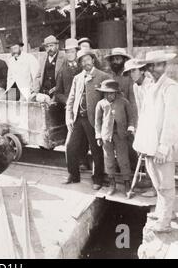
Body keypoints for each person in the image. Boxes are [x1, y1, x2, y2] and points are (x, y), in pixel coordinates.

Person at [133, 50, 178, 233]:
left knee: (166, 184)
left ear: (164, 66)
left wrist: (164, 147)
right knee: (156, 181)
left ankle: (165, 222)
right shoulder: (151, 87)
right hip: (150, 144)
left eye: (159, 65)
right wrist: (141, 143)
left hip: (162, 146)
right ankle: (164, 212)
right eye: (152, 65)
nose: (155, 69)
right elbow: (145, 118)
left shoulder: (170, 87)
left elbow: (171, 120)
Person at [64, 49, 111, 189]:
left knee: (96, 149)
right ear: (80, 64)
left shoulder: (103, 76)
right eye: (82, 61)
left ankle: (98, 179)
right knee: (70, 146)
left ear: (93, 60)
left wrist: (103, 123)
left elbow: (107, 102)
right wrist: (69, 117)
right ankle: (73, 175)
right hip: (78, 119)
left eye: (88, 60)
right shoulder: (77, 78)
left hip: (94, 120)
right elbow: (71, 100)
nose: (86, 63)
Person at [95, 79, 135, 196]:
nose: (109, 95)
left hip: (121, 135)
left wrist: (130, 127)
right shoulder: (101, 104)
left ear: (116, 93)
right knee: (109, 159)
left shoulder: (124, 102)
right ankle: (112, 183)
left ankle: (127, 183)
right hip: (106, 136)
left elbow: (131, 117)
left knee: (123, 159)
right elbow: (97, 121)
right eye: (106, 93)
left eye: (112, 93)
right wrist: (98, 136)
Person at [55, 38, 90, 171]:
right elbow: (58, 93)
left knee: (86, 137)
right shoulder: (62, 71)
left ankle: (84, 160)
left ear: (77, 52)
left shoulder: (84, 68)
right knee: (73, 138)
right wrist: (68, 102)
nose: (70, 54)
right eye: (67, 52)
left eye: (72, 51)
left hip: (85, 108)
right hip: (71, 109)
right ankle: (75, 164)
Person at [123, 58, 156, 198]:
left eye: (134, 71)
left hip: (155, 125)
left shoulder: (151, 85)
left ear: (142, 70)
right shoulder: (136, 86)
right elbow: (140, 108)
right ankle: (149, 181)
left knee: (153, 157)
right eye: (130, 72)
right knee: (145, 155)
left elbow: (154, 110)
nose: (132, 74)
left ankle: (156, 189)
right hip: (145, 123)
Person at [5, 36, 39, 101]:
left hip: (26, 89)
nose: (13, 51)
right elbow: (9, 78)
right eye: (11, 49)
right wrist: (8, 90)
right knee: (5, 102)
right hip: (14, 88)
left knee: (22, 104)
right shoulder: (11, 60)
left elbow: (36, 76)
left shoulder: (29, 58)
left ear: (20, 47)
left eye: (15, 48)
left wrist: (35, 92)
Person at [34, 35, 66, 103]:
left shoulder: (63, 58)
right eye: (47, 46)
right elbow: (38, 77)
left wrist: (56, 96)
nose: (49, 48)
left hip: (57, 94)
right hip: (43, 94)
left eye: (51, 45)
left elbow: (64, 80)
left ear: (57, 46)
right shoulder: (43, 59)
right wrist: (36, 92)